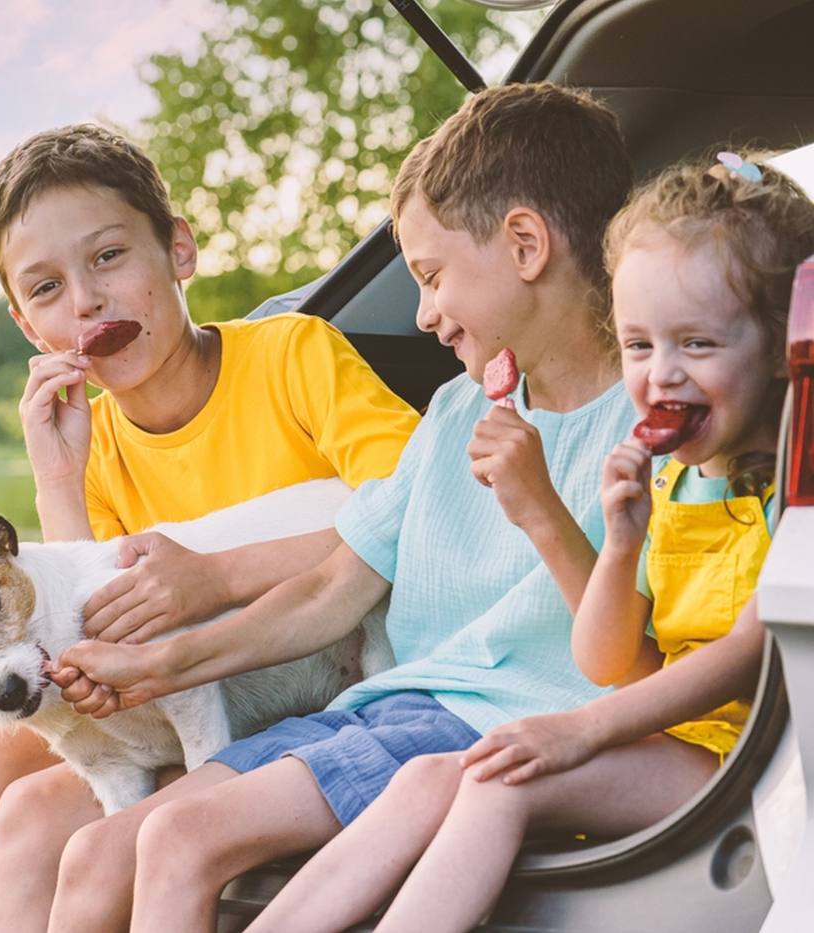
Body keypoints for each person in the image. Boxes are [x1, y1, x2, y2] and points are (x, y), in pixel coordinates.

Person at [47, 82, 636, 932]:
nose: (426, 314)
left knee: (180, 836)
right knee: (101, 851)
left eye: (432, 278)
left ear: (526, 245)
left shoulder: (643, 427)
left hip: (487, 724)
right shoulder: (454, 417)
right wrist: (163, 667)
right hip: (388, 707)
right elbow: (329, 592)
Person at [242, 152, 814, 933]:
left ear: (787, 340)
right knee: (440, 774)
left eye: (699, 344)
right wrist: (619, 543)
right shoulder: (676, 482)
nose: (661, 376)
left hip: (752, 758)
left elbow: (750, 653)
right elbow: (611, 660)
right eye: (641, 346)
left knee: (502, 778)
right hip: (669, 744)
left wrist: (577, 728)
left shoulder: (790, 484)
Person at [0, 123, 421, 933]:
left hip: (308, 676)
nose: (85, 301)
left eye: (108, 257)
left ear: (179, 251)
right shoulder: (91, 446)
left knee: (40, 816)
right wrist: (59, 477)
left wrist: (217, 577)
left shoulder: (293, 355)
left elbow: (426, 511)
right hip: (175, 701)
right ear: (27, 326)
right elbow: (79, 652)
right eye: (45, 289)